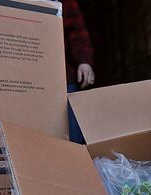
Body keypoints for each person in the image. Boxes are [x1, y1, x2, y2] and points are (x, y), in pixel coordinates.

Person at [61, 0, 94, 144]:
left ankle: (77, 161)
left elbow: (75, 27)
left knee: (72, 130)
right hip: (19, 74)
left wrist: (84, 60)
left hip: (60, 73)